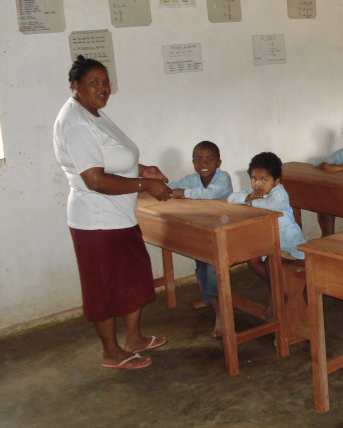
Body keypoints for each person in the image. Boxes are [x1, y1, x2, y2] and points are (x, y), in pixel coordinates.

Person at [53, 56, 170, 370]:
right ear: (76, 86)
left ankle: (134, 339)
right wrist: (145, 184)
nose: (103, 88)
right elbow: (95, 180)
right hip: (96, 221)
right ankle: (111, 352)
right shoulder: (76, 122)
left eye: (105, 82)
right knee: (103, 289)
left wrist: (144, 169)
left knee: (133, 278)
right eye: (94, 82)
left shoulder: (94, 115)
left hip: (120, 216)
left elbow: (113, 158)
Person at [228, 152, 306, 320]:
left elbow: (275, 205)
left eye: (264, 180)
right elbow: (231, 198)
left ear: (276, 180)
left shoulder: (279, 193)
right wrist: (248, 196)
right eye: (254, 179)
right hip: (270, 241)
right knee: (252, 261)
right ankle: (279, 289)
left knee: (271, 261)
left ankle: (274, 298)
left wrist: (252, 201)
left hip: (289, 243)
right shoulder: (254, 192)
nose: (258, 184)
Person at [168, 141, 233, 337]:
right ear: (193, 162)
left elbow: (210, 194)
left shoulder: (223, 178)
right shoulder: (191, 179)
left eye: (209, 159)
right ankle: (213, 302)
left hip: (224, 231)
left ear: (219, 162)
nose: (203, 163)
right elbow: (172, 186)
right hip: (202, 231)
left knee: (213, 269)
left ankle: (220, 312)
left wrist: (183, 194)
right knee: (201, 267)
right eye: (198, 159)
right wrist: (153, 185)